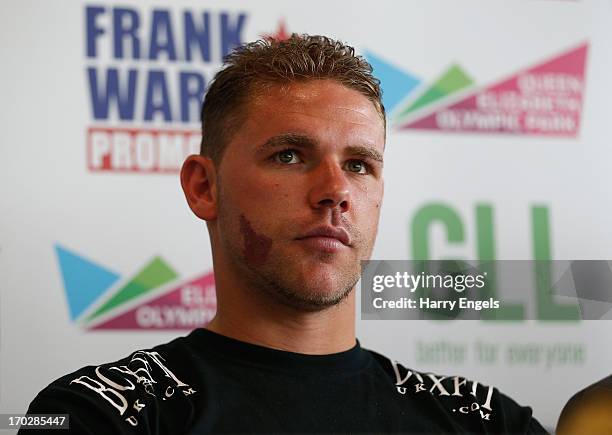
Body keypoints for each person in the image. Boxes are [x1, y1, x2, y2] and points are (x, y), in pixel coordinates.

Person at [22, 34, 548, 434]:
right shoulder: (97, 414)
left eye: (360, 165)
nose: (334, 191)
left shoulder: (486, 421)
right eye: (290, 156)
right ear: (204, 187)